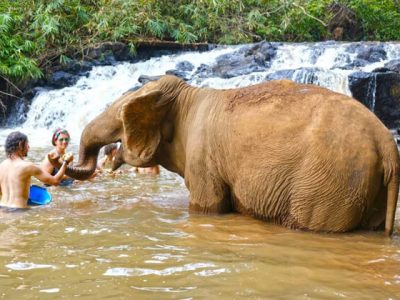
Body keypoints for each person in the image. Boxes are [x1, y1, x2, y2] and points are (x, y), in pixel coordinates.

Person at [0, 131, 73, 209]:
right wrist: (65, 162)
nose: (28, 147)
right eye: (27, 144)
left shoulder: (2, 165)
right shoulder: (28, 166)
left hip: (2, 208)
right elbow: (55, 181)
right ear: (20, 145)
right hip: (18, 211)